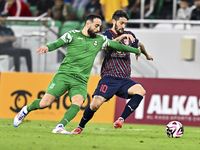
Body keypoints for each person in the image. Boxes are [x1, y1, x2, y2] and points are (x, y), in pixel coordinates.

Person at [13, 14, 141, 134]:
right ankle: (25, 110)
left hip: (80, 80)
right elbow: (57, 43)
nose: (98, 29)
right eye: (96, 26)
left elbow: (118, 46)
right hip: (64, 76)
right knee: (44, 103)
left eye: (99, 26)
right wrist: (47, 47)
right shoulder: (72, 35)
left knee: (78, 101)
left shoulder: (100, 40)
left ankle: (60, 126)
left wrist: (135, 50)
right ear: (87, 24)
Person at [71, 10, 153, 134]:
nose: (123, 26)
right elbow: (109, 46)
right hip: (109, 78)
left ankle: (121, 119)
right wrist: (122, 37)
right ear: (114, 21)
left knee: (141, 91)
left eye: (125, 23)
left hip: (124, 80)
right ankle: (80, 126)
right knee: (94, 106)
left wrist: (146, 54)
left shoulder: (129, 34)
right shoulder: (106, 34)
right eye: (121, 23)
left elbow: (139, 44)